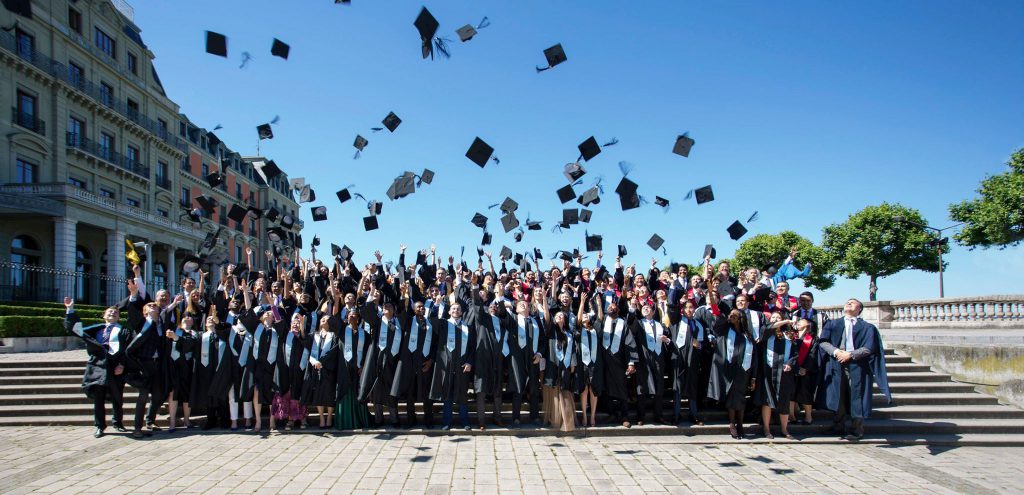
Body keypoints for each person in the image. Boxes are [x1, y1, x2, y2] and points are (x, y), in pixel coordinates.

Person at [817, 298, 891, 441]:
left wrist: (850, 355)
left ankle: (857, 429)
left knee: (857, 395)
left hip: (858, 365)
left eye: (853, 302)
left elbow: (869, 347)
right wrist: (837, 352)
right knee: (838, 394)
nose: (848, 303)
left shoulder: (868, 327)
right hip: (836, 363)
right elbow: (823, 341)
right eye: (847, 301)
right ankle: (838, 425)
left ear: (859, 309)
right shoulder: (833, 324)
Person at [63, 297, 130, 438]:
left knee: (117, 396)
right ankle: (99, 426)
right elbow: (75, 329)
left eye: (115, 313)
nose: (112, 313)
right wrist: (70, 310)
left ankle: (118, 423)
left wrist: (122, 364)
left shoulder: (124, 331)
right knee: (98, 397)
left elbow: (127, 350)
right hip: (98, 365)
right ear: (104, 315)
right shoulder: (96, 329)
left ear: (119, 317)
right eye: (110, 312)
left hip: (115, 365)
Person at [706, 284, 759, 440]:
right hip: (728, 369)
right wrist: (710, 293)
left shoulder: (748, 335)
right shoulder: (724, 329)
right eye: (730, 315)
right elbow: (716, 311)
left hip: (744, 370)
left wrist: (753, 376)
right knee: (731, 398)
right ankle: (732, 423)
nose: (731, 316)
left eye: (734, 315)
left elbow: (753, 355)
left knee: (740, 398)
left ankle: (740, 424)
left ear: (740, 318)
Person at [394, 286, 438, 428]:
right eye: (418, 307)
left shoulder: (430, 324)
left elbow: (435, 344)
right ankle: (410, 420)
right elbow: (400, 311)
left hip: (425, 363)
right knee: (409, 394)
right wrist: (403, 295)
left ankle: (428, 420)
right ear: (413, 309)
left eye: (422, 308)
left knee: (427, 395)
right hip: (409, 363)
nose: (421, 309)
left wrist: (431, 361)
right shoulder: (407, 322)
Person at [428, 302, 475, 431]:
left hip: (462, 366)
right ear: (449, 311)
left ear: (462, 312)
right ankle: (446, 422)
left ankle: (464, 421)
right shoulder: (443, 324)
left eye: (458, 309)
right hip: (447, 366)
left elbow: (472, 348)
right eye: (453, 309)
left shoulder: (468, 327)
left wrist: (470, 362)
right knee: (447, 395)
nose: (456, 310)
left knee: (463, 396)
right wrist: (436, 305)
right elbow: (432, 320)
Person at [753, 316, 798, 439]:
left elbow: (795, 353)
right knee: (767, 401)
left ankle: (784, 429)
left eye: (779, 317)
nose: (776, 319)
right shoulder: (766, 333)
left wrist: (790, 363)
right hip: (768, 371)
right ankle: (767, 429)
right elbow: (769, 327)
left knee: (784, 401)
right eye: (773, 317)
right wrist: (787, 320)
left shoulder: (789, 335)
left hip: (784, 373)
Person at [626, 300, 670, 425]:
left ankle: (659, 415)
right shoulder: (639, 323)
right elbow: (629, 324)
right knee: (642, 387)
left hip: (658, 358)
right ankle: (641, 416)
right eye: (643, 307)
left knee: (659, 387)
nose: (646, 309)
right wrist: (632, 308)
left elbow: (668, 339)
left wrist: (666, 340)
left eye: (648, 307)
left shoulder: (660, 325)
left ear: (653, 311)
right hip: (643, 358)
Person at [124, 301, 163, 438]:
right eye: (150, 305)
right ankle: (137, 427)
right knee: (143, 396)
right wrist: (134, 295)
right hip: (143, 363)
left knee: (158, 395)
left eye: (155, 305)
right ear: (144, 310)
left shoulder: (160, 324)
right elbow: (132, 310)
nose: (153, 306)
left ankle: (150, 420)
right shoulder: (141, 322)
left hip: (157, 363)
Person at [504, 298, 545, 426]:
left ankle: (535, 416)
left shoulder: (536, 321)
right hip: (517, 358)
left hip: (533, 357)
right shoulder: (513, 319)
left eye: (525, 304)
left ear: (529, 307)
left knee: (534, 388)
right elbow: (502, 313)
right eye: (520, 304)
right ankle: (516, 417)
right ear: (516, 309)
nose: (523, 304)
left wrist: (539, 354)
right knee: (518, 387)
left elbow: (543, 341)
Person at [595, 299, 632, 427]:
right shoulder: (603, 321)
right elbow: (596, 333)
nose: (611, 307)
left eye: (613, 306)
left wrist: (631, 362)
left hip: (619, 362)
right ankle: (612, 413)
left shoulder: (624, 323)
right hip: (604, 361)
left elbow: (629, 343)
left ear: (618, 310)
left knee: (622, 389)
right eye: (609, 306)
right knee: (605, 389)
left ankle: (625, 415)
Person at [670, 300, 707, 425]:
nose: (689, 310)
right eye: (686, 308)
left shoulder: (698, 324)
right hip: (679, 357)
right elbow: (672, 311)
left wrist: (699, 345)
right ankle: (676, 414)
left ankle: (694, 414)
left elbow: (703, 343)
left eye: (691, 307)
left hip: (693, 358)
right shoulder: (677, 321)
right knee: (678, 387)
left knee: (692, 386)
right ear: (682, 310)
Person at [162, 304, 198, 432]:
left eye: (190, 318)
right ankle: (172, 422)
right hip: (173, 365)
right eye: (185, 318)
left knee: (186, 393)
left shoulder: (195, 333)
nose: (187, 319)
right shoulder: (173, 329)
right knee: (173, 393)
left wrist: (176, 338)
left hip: (187, 366)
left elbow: (189, 344)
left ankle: (187, 420)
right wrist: (173, 304)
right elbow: (164, 317)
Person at [301, 314, 340, 429]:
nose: (324, 320)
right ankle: (322, 418)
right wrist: (314, 361)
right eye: (322, 319)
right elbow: (305, 343)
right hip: (315, 368)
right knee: (318, 394)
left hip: (328, 369)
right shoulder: (314, 335)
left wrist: (322, 361)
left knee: (329, 393)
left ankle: (328, 417)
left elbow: (334, 351)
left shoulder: (334, 336)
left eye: (327, 319)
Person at [274, 313, 310, 431]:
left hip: (300, 370)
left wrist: (302, 327)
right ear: (289, 325)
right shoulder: (285, 335)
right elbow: (279, 321)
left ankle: (303, 418)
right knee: (289, 394)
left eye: (298, 323)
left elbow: (306, 345)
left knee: (300, 393)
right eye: (293, 323)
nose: (295, 324)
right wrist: (273, 307)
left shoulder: (304, 336)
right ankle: (290, 419)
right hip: (287, 369)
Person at [336, 311, 371, 430]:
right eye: (349, 315)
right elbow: (334, 318)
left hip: (358, 369)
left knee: (359, 393)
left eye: (354, 315)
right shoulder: (342, 331)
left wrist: (363, 366)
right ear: (346, 318)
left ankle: (360, 420)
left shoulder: (365, 334)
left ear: (358, 318)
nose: (351, 316)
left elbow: (368, 352)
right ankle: (345, 422)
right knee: (345, 391)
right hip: (344, 368)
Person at [576, 294, 603, 428]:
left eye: (587, 315)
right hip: (582, 363)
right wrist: (582, 302)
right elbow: (578, 319)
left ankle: (592, 416)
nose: (585, 317)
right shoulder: (579, 330)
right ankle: (585, 416)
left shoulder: (595, 330)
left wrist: (599, 304)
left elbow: (600, 319)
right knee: (584, 390)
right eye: (584, 316)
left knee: (594, 389)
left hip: (595, 363)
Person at [790, 318, 819, 426]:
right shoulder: (793, 336)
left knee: (805, 393)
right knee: (791, 393)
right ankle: (791, 416)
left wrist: (805, 368)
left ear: (808, 324)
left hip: (806, 371)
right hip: (792, 369)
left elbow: (813, 354)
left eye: (801, 321)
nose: (798, 323)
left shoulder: (813, 338)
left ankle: (808, 417)